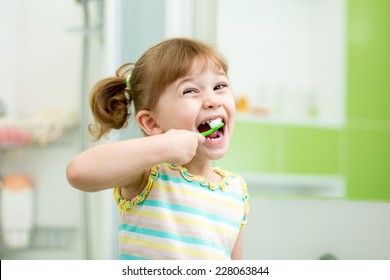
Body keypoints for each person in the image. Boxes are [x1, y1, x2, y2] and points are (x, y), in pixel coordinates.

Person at [66, 38, 249, 260]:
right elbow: (78, 172)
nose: (212, 100)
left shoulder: (236, 191)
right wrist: (164, 146)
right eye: (190, 91)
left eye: (219, 86)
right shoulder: (149, 176)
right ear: (152, 123)